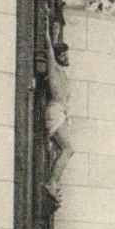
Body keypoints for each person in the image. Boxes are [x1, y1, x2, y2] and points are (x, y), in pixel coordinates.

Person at [44, 29, 73, 204]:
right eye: (65, 54)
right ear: (59, 56)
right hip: (55, 111)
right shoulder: (53, 67)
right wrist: (48, 33)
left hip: (60, 112)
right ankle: (52, 183)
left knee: (60, 150)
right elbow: (49, 49)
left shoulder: (61, 72)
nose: (68, 57)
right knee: (68, 149)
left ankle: (53, 181)